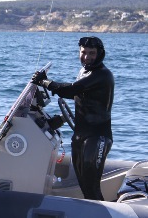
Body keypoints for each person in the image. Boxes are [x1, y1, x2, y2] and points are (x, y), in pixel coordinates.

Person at [31, 36, 114, 200]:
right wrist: (61, 119)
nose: (87, 56)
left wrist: (45, 82)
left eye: (92, 53)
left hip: (97, 138)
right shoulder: (85, 71)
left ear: (100, 54)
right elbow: (81, 97)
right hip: (80, 135)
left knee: (92, 187)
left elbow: (72, 90)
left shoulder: (102, 75)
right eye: (84, 52)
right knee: (84, 186)